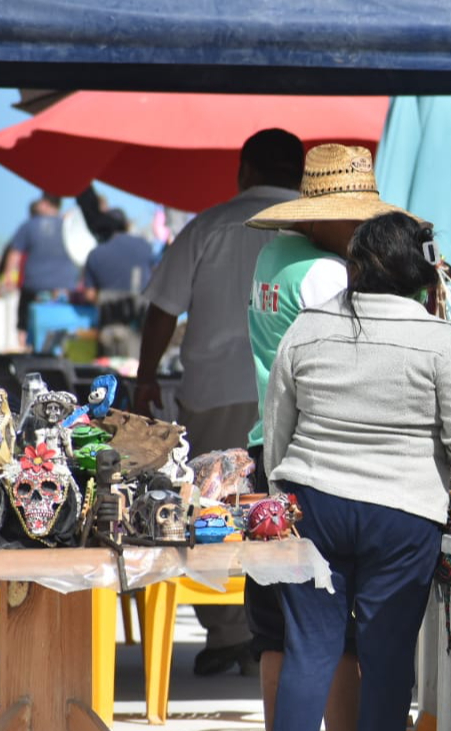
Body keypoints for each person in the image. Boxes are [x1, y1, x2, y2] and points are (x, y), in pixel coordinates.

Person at [259, 211, 451, 731]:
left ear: (357, 265)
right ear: (420, 271)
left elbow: (277, 430)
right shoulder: (440, 339)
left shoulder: (307, 327)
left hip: (314, 504)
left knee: (309, 650)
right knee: (386, 660)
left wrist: (284, 498)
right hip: (403, 515)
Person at [242, 142, 417, 731]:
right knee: (332, 631)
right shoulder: (323, 274)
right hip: (318, 456)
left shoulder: (272, 259)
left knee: (278, 631)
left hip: (269, 446)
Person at [134, 128, 305, 676]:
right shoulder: (314, 227)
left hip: (214, 389)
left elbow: (162, 308)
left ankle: (229, 632)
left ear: (245, 171)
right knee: (285, 511)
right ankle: (279, 628)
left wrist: (145, 377)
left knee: (210, 509)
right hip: (295, 394)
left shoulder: (208, 225)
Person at [0, 193, 79, 348]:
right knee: (61, 321)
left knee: (24, 323)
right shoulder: (68, 226)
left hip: (33, 284)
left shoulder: (29, 225)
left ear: (45, 204)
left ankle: (26, 349)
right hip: (64, 286)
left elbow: (15, 253)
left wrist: (8, 276)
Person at [81, 207, 155, 357]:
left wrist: (107, 298)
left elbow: (89, 295)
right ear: (126, 225)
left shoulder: (95, 254)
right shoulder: (144, 245)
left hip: (108, 333)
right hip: (141, 331)